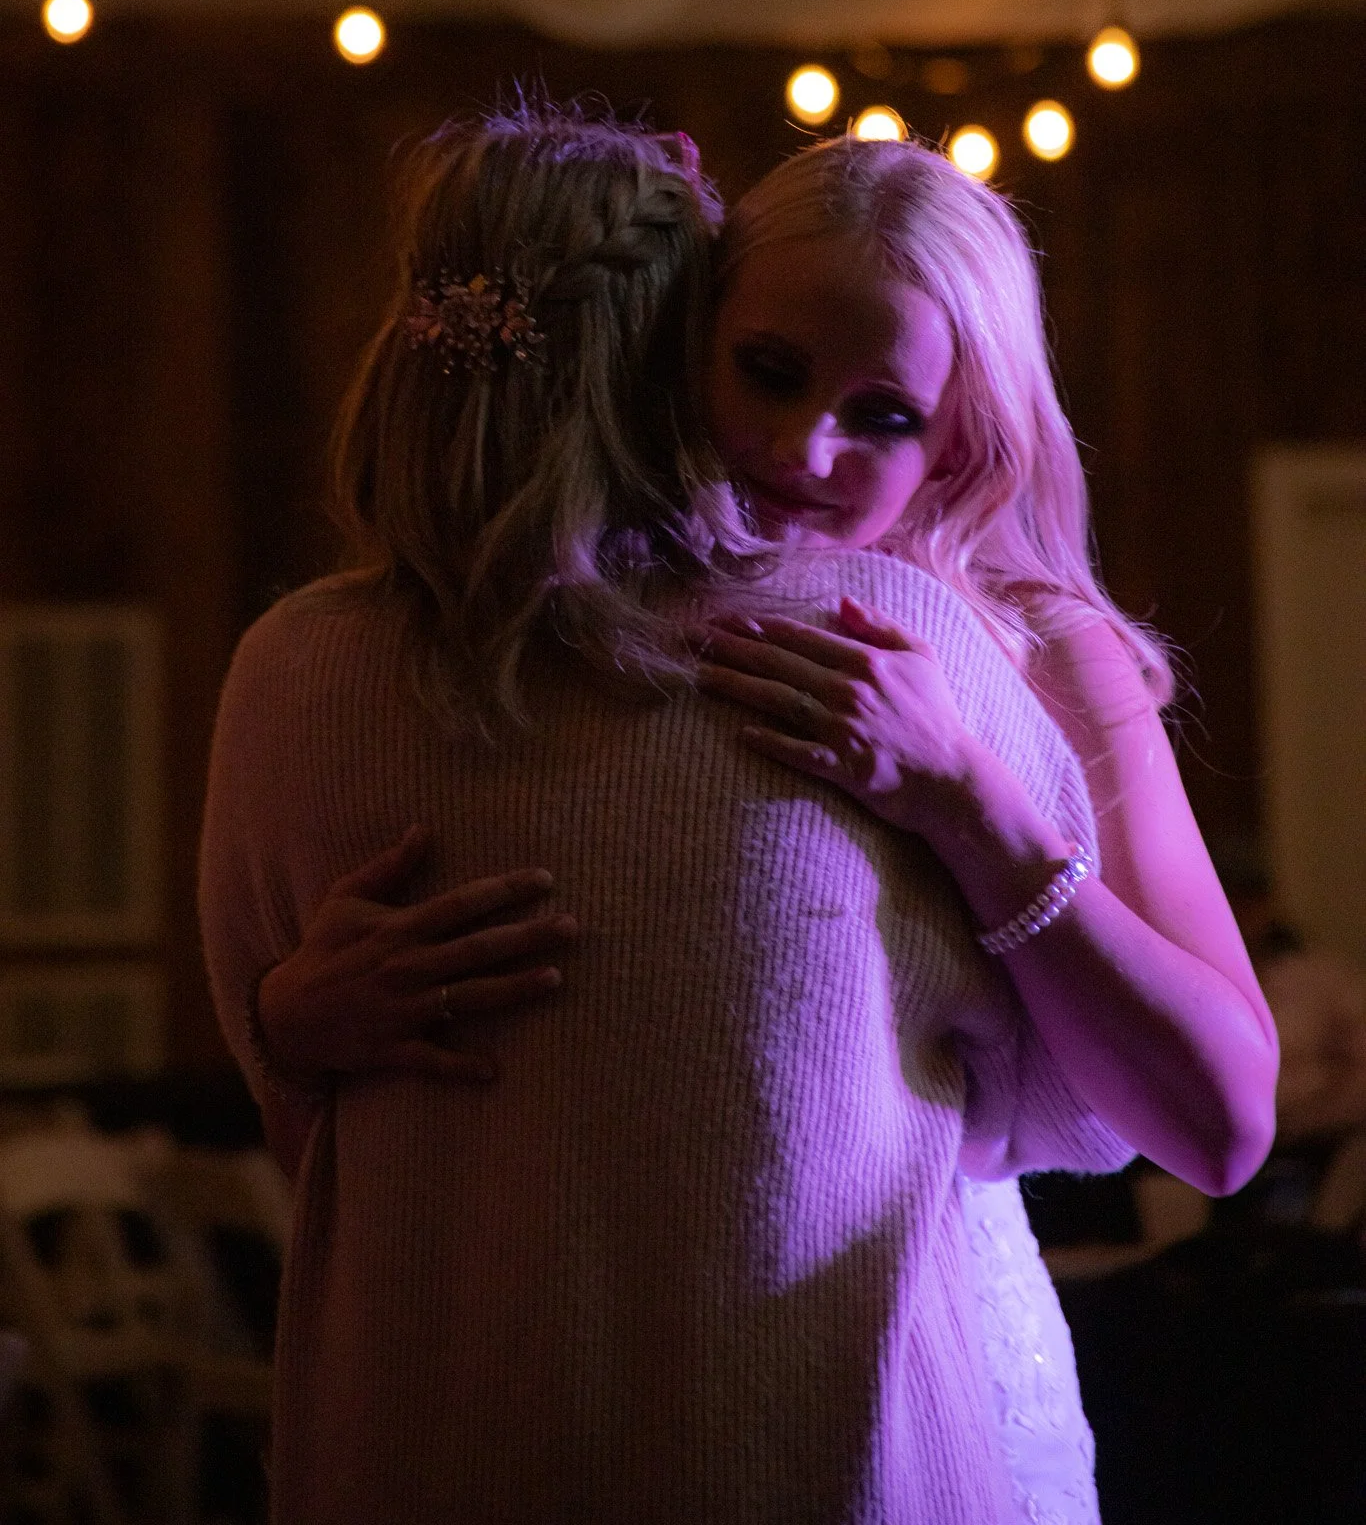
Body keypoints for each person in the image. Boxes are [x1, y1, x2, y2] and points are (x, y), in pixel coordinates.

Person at [201, 109, 1275, 1524]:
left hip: (924, 1368)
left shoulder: (1038, 647)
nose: (799, 443)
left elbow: (1222, 1122)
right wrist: (294, 1022)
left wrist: (974, 807)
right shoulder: (557, 643)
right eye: (764, 370)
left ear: (962, 437)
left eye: (880, 414)